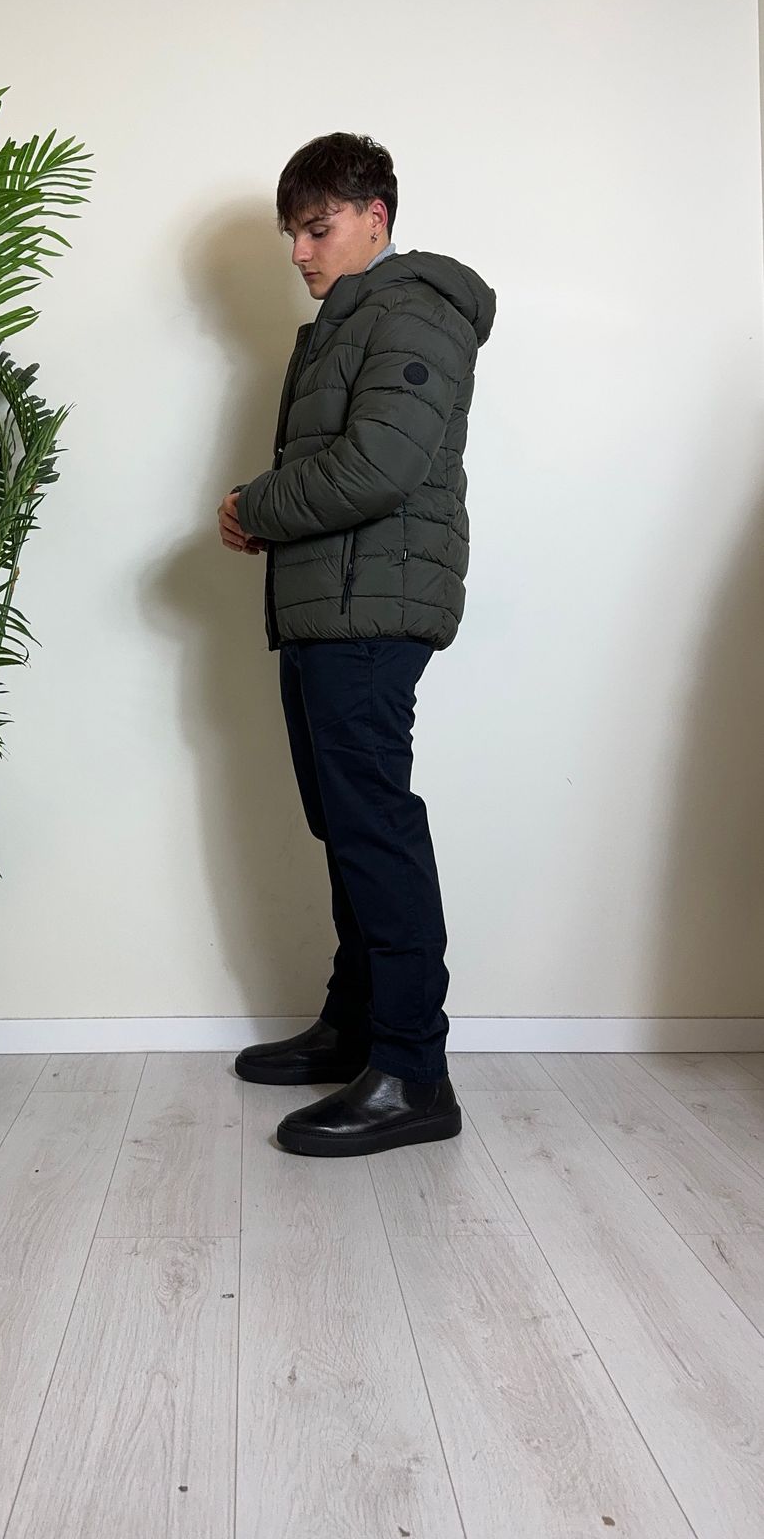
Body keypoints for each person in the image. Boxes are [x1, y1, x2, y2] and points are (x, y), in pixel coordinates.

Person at [217, 132, 496, 1159]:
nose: (299, 251)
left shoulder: (410, 308)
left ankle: (412, 1073)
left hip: (368, 617)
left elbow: (378, 463)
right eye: (291, 233)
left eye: (317, 228)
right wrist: (271, 519)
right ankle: (356, 1026)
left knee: (373, 828)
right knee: (345, 825)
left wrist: (255, 504)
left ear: (374, 218)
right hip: (328, 608)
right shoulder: (348, 319)